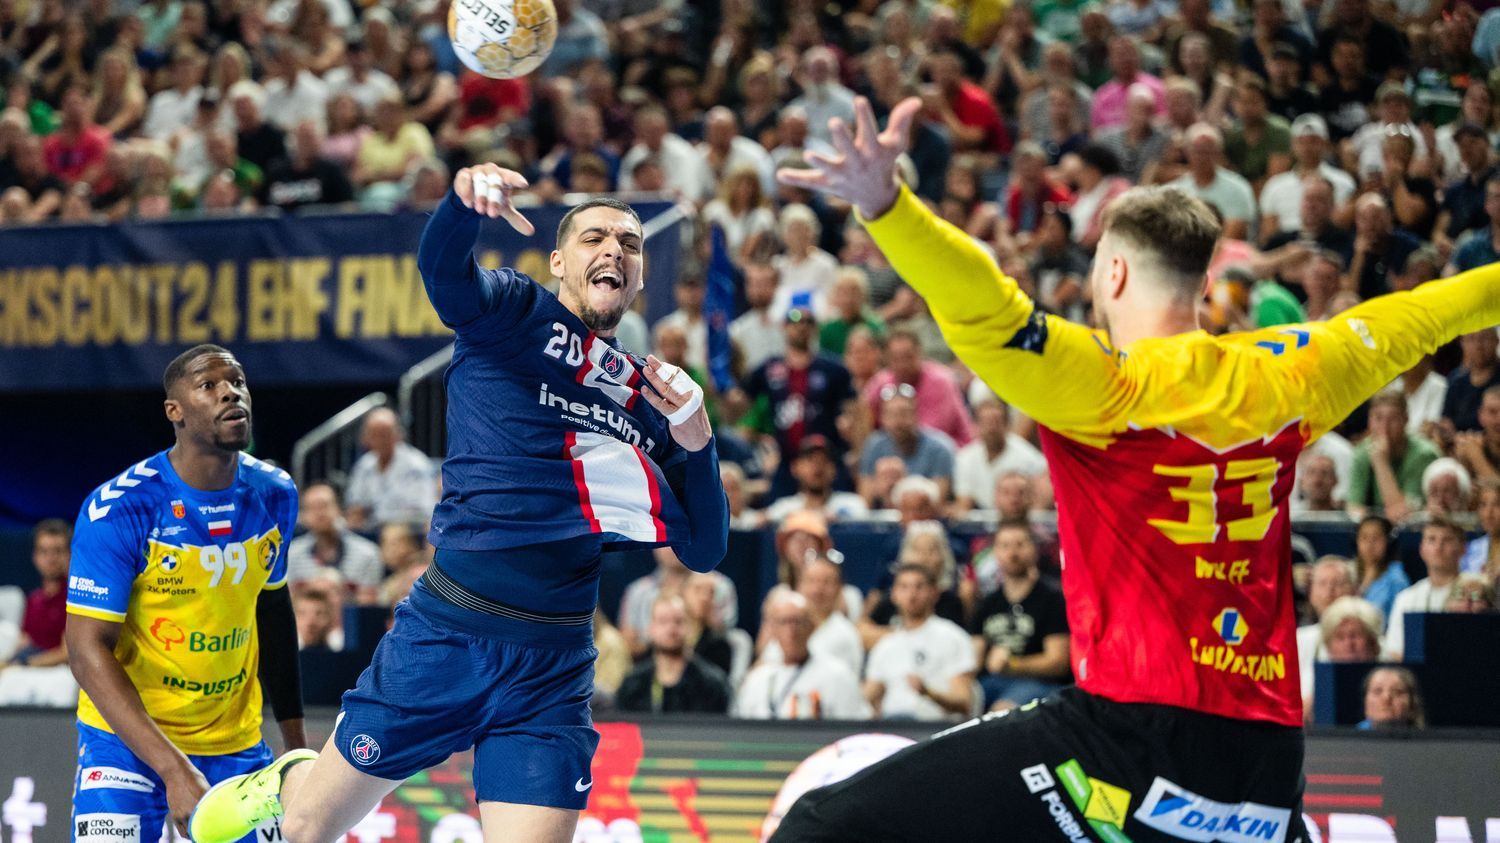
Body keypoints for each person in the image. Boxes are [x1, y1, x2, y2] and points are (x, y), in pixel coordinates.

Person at [772, 95, 1500, 841]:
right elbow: (1430, 311)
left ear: (1113, 273)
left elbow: (985, 306)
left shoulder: (1105, 384)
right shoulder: (1294, 370)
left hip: (1126, 749)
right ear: (1203, 281)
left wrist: (887, 206)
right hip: (1268, 767)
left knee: (821, 823)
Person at [191, 165, 729, 843]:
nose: (615, 249)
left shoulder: (646, 397)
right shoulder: (515, 311)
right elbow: (444, 273)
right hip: (448, 634)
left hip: (552, 668)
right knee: (304, 830)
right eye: (596, 236)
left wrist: (696, 438)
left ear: (641, 274)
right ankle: (289, 778)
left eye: (630, 241)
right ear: (560, 260)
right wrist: (462, 204)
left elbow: (704, 548)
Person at [64, 344, 304, 841]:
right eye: (209, 385)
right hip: (124, 744)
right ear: (175, 412)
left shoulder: (275, 493)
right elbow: (86, 649)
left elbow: (272, 611)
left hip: (235, 744)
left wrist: (295, 754)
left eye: (237, 381)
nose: (230, 393)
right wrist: (173, 770)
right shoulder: (121, 508)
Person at [970, 521, 1071, 710]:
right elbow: (975, 656)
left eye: (1020, 544)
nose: (1012, 553)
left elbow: (1058, 662)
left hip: (1040, 683)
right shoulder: (988, 602)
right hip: (991, 681)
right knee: (960, 699)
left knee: (1002, 710)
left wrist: (1013, 664)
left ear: (1034, 549)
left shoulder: (1052, 598)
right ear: (995, 553)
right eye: (1005, 546)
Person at [862, 564, 978, 722]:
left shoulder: (952, 637)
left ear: (934, 593)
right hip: (892, 727)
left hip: (935, 728)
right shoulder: (886, 645)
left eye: (919, 587)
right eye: (904, 587)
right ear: (894, 595)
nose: (912, 594)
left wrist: (928, 693)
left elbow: (964, 701)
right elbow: (868, 698)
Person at [734, 591, 869, 720]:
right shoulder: (758, 679)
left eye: (797, 621)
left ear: (812, 627)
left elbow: (852, 729)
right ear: (772, 629)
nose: (791, 630)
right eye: (784, 622)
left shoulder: (837, 675)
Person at [615, 595, 733, 714]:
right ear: (650, 628)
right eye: (663, 621)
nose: (671, 628)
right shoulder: (632, 685)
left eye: (678, 621)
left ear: (690, 628)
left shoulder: (712, 685)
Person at [283, 483, 383, 603]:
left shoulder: (368, 553)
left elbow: (368, 606)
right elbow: (287, 602)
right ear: (303, 516)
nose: (319, 513)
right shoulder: (291, 553)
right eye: (312, 508)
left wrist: (337, 593)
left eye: (324, 506)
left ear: (339, 509)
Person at [343, 407, 439, 531]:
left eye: (384, 434)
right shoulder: (364, 465)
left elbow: (422, 513)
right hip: (371, 533)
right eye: (374, 435)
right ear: (365, 438)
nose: (380, 440)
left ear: (398, 434)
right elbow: (355, 505)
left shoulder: (416, 465)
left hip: (408, 533)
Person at [1385, 516, 1466, 660]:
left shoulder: (1473, 593)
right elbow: (1394, 650)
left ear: (1462, 548)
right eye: (1431, 539)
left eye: (1447, 540)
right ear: (1422, 549)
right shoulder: (1406, 597)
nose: (1438, 547)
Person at [952, 399, 1047, 513]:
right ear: (975, 425)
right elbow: (964, 503)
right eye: (986, 422)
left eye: (996, 421)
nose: (991, 428)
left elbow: (1041, 498)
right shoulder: (965, 458)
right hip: (979, 523)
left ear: (1007, 424)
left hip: (1019, 518)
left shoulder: (1028, 457)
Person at [4, 519, 70, 668]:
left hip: (58, 676)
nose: (51, 559)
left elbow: (66, 653)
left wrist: (22, 665)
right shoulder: (34, 599)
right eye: (44, 551)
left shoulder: (74, 599)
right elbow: (25, 639)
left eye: (58, 551)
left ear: (69, 554)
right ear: (35, 557)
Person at [1354, 515, 1410, 619]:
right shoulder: (1349, 572)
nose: (1369, 544)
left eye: (1376, 538)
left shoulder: (1397, 579)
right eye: (1364, 537)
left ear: (1388, 542)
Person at [1358, 666, 1426, 730]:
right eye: (1377, 691)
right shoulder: (1350, 738)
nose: (1386, 698)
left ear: (1412, 703)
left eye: (1397, 692)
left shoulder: (1426, 740)